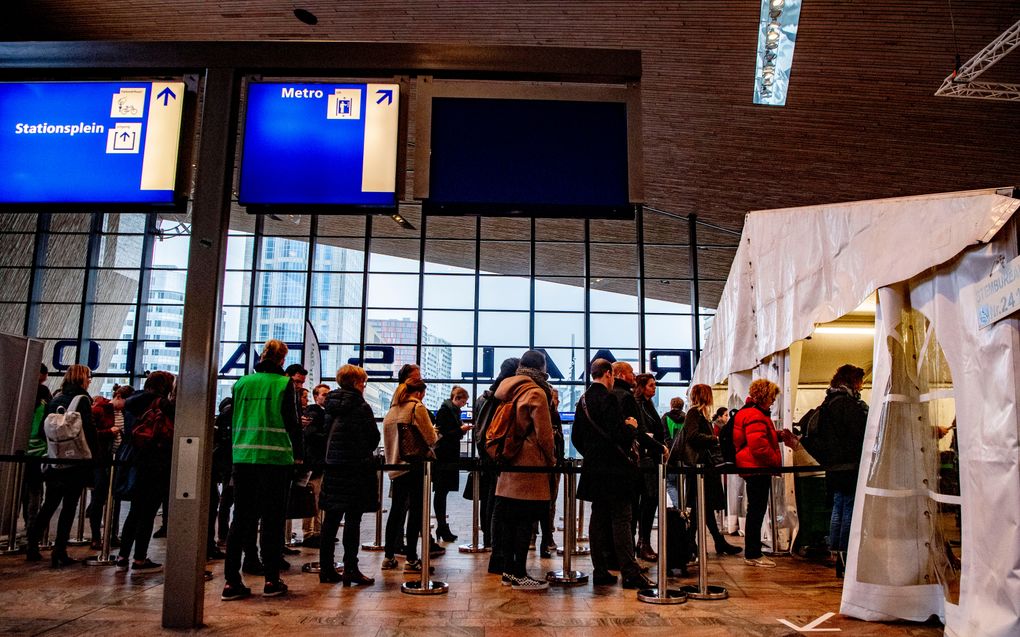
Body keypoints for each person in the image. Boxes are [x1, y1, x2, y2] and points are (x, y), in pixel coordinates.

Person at [222, 339, 302, 601]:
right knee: (272, 520)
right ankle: (271, 579)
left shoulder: (242, 383)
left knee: (242, 519)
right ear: (281, 360)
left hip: (243, 458)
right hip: (275, 460)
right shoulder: (282, 384)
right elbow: (292, 424)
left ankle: (232, 581)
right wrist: (299, 456)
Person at [573, 358, 653, 590]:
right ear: (608, 373)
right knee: (622, 517)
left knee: (597, 518)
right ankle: (629, 571)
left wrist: (592, 453)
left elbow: (577, 437)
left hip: (594, 468)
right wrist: (631, 426)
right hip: (614, 469)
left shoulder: (584, 400)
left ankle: (600, 570)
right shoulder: (607, 398)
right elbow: (620, 434)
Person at [493, 350, 556, 590]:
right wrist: (551, 459)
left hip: (508, 464)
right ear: (541, 368)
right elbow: (544, 434)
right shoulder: (536, 392)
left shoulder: (507, 389)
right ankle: (519, 573)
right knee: (525, 521)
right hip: (530, 466)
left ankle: (508, 571)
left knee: (509, 521)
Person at [26, 364, 96, 567]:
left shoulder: (55, 399)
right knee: (69, 507)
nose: (90, 380)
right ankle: (59, 550)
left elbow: (42, 431)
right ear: (82, 378)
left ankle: (32, 545)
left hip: (54, 461)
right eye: (89, 376)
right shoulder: (83, 401)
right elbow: (89, 432)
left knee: (48, 505)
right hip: (75, 464)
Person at [318, 365, 379, 585]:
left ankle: (326, 568)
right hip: (355, 470)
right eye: (363, 381)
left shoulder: (330, 406)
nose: (364, 385)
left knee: (331, 520)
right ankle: (350, 568)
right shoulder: (361, 406)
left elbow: (325, 435)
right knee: (353, 521)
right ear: (355, 382)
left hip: (333, 468)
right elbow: (373, 438)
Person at [116, 371, 175, 573]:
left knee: (134, 510)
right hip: (155, 462)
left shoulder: (131, 403)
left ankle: (123, 555)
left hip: (133, 461)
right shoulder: (163, 404)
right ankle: (140, 558)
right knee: (148, 513)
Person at [672, 383, 741, 556]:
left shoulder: (699, 413)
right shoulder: (694, 413)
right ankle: (691, 544)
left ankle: (711, 542)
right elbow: (693, 436)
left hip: (703, 467)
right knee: (700, 506)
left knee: (704, 507)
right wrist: (714, 438)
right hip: (700, 467)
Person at [733, 378, 795, 568]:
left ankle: (753, 551)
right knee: (756, 511)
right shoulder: (756, 415)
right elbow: (758, 447)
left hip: (752, 468)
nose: (774, 401)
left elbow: (757, 438)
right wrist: (774, 462)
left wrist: (776, 436)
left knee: (756, 510)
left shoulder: (750, 413)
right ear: (765, 396)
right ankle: (753, 553)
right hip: (757, 469)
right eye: (772, 397)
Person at [381, 378, 437, 573]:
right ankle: (411, 559)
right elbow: (430, 438)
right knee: (416, 513)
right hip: (413, 467)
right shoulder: (416, 407)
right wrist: (435, 433)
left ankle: (388, 556)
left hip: (395, 466)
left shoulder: (391, 411)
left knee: (396, 511)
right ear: (420, 393)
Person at [819, 364, 868, 578]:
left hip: (834, 465)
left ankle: (837, 554)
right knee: (849, 508)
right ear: (852, 382)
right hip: (849, 464)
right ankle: (846, 555)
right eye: (860, 382)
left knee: (838, 507)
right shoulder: (848, 405)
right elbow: (858, 434)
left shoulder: (828, 402)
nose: (862, 387)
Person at [477, 356, 520, 574]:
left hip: (486, 456)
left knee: (491, 502)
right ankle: (498, 552)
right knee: (499, 506)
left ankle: (491, 544)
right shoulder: (502, 397)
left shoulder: (483, 397)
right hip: (498, 456)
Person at [88, 384, 132, 550]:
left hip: (117, 461)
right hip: (102, 460)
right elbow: (91, 433)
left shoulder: (125, 413)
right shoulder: (100, 409)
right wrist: (109, 432)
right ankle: (96, 537)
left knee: (115, 499)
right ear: (119, 397)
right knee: (98, 498)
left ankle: (112, 534)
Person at [633, 373, 666, 561]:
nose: (654, 388)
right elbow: (642, 432)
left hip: (652, 459)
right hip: (644, 459)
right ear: (642, 386)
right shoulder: (639, 405)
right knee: (647, 500)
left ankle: (643, 541)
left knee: (650, 500)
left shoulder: (648, 406)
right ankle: (642, 542)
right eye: (651, 385)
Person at [433, 385, 471, 543]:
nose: (464, 404)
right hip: (445, 458)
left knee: (442, 492)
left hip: (447, 457)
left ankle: (442, 527)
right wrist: (461, 430)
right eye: (464, 401)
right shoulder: (446, 411)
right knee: (441, 492)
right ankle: (441, 527)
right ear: (457, 398)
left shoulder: (451, 411)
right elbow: (443, 435)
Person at [22, 364, 52, 534]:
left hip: (20, 447)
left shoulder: (22, 392)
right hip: (38, 449)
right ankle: (32, 527)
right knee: (35, 490)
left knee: (24, 489)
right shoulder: (43, 394)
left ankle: (23, 525)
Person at [300, 383, 331, 548]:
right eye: (324, 394)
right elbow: (311, 434)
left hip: (319, 462)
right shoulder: (314, 412)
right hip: (315, 462)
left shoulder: (323, 413)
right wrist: (327, 437)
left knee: (319, 499)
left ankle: (317, 532)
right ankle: (310, 533)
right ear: (316, 396)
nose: (326, 397)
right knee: (314, 498)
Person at [660, 396, 686, 508]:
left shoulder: (665, 418)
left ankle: (679, 508)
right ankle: (682, 507)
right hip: (684, 455)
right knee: (681, 483)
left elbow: (664, 435)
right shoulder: (686, 417)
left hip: (670, 454)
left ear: (671, 405)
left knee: (670, 484)